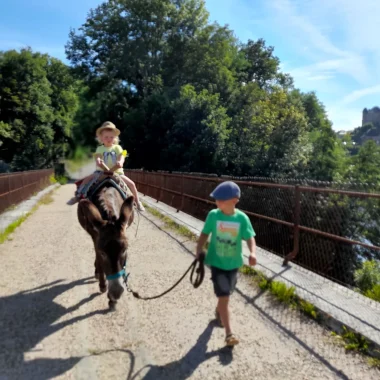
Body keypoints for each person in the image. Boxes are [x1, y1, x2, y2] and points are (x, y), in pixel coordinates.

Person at [196, 181, 257, 346]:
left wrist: (252, 253)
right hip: (216, 263)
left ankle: (219, 311)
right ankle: (229, 333)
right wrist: (198, 250)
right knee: (225, 297)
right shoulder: (213, 215)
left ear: (234, 200)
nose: (217, 203)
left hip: (234, 264)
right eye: (216, 199)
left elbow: (250, 237)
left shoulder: (242, 218)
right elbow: (204, 234)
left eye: (221, 199)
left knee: (226, 296)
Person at [67, 121, 145, 211]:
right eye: (106, 137)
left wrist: (120, 162)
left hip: (116, 173)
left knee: (132, 184)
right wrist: (99, 161)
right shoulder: (100, 149)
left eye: (111, 137)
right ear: (101, 138)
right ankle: (79, 195)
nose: (109, 139)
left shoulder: (118, 148)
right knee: (87, 179)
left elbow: (121, 157)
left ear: (115, 138)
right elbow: (98, 158)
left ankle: (137, 202)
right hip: (101, 172)